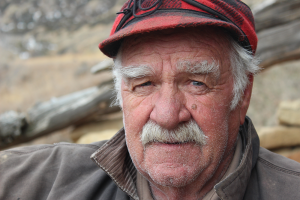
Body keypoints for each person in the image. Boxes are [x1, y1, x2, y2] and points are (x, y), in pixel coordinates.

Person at [1, 0, 300, 199]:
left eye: (196, 82)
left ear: (242, 94)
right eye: (143, 83)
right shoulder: (38, 182)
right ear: (121, 93)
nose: (168, 115)